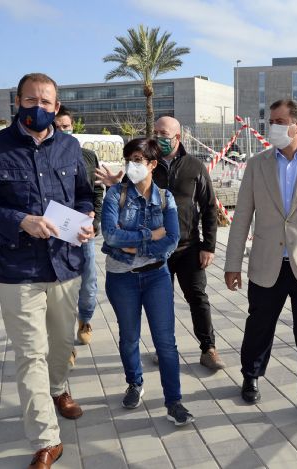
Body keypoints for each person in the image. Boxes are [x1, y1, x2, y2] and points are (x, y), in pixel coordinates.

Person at [0, 73, 94, 468]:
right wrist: (20, 219)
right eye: (31, 99)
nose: (39, 107)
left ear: (57, 107)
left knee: (61, 345)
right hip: (17, 270)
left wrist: (89, 217)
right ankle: (46, 439)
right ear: (17, 102)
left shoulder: (71, 147)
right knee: (30, 353)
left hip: (66, 265)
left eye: (47, 102)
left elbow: (86, 194)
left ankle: (58, 389)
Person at [224, 99, 297, 429]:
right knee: (259, 325)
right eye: (270, 121)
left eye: (279, 122)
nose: (271, 127)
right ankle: (251, 375)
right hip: (267, 265)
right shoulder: (258, 164)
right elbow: (242, 218)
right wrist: (232, 263)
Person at [97, 116, 224, 370]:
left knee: (197, 297)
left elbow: (209, 208)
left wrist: (208, 246)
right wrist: (116, 185)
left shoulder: (195, 167)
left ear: (178, 137)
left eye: (163, 133)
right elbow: (128, 194)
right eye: (155, 132)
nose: (158, 137)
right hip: (154, 251)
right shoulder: (146, 165)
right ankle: (164, 347)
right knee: (161, 304)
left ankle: (208, 348)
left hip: (188, 247)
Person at [102, 138, 195, 426]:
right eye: (129, 159)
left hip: (157, 276)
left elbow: (171, 240)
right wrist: (148, 236)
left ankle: (174, 401)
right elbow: (110, 235)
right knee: (129, 337)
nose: (132, 165)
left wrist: (132, 245)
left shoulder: (165, 198)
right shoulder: (114, 194)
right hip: (121, 278)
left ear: (153, 164)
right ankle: (134, 383)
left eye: (139, 160)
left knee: (165, 342)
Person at [54, 106, 104, 359]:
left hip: (82, 227)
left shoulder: (87, 155)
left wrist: (94, 216)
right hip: (55, 229)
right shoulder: (44, 156)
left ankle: (85, 320)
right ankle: (64, 344)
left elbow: (96, 190)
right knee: (61, 288)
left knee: (88, 281)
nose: (62, 131)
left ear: (73, 126)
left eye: (66, 126)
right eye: (57, 126)